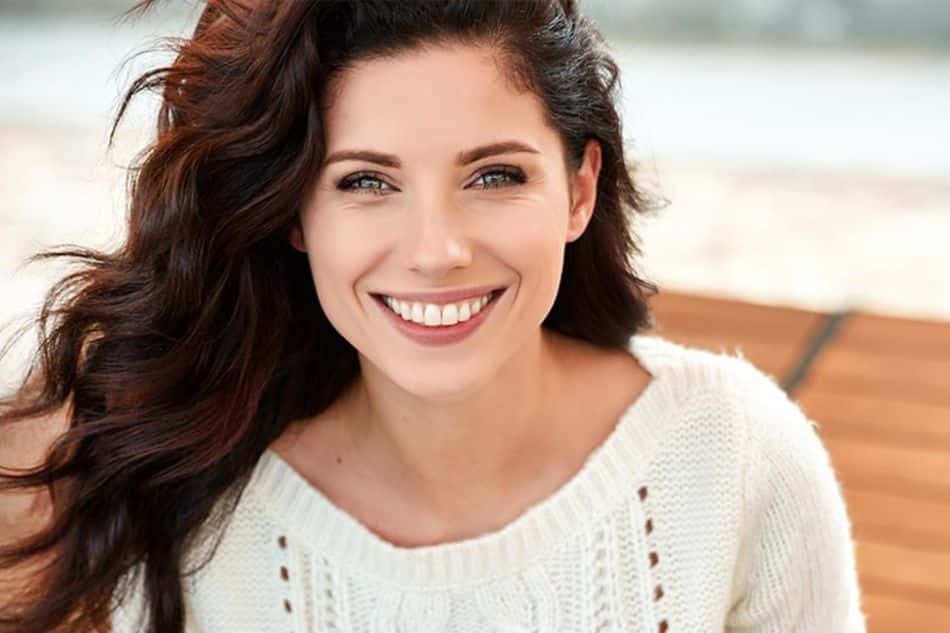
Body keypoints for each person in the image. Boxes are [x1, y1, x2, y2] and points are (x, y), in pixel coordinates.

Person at [0, 1, 866, 632]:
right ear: (296, 216)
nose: (437, 249)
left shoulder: (737, 454)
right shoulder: (197, 506)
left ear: (579, 189)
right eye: (366, 182)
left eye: (494, 175)